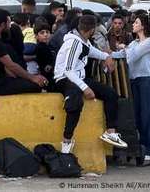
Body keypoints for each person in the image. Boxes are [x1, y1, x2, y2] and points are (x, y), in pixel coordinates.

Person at [53, 15, 127, 154]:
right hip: (65, 79)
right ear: (92, 30)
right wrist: (85, 88)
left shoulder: (84, 42)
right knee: (75, 103)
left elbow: (92, 52)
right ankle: (66, 141)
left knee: (110, 93)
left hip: (78, 78)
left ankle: (111, 132)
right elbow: (68, 70)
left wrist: (107, 57)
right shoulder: (74, 43)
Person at [0, 9, 46, 95]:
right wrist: (33, 77)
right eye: (8, 23)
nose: (10, 26)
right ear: (3, 24)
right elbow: (11, 65)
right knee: (35, 85)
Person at [121, 14, 150, 161]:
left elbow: (131, 57)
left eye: (136, 22)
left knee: (149, 115)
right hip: (135, 80)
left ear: (143, 26)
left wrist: (124, 48)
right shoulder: (135, 42)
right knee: (138, 116)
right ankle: (142, 148)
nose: (133, 25)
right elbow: (125, 54)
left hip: (147, 79)